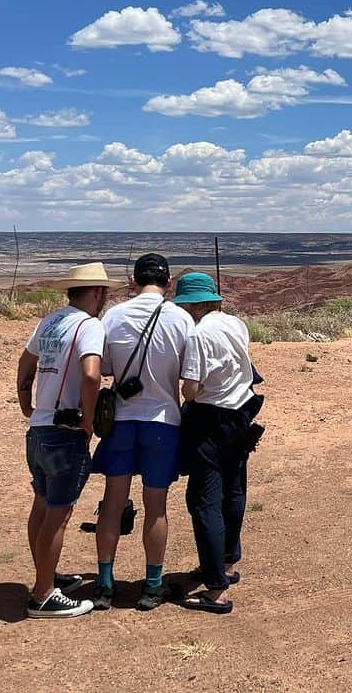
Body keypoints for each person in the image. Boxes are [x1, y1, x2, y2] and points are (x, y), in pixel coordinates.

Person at [89, 253, 194, 611]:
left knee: (112, 503)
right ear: (167, 283)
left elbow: (102, 368)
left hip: (120, 421)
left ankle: (104, 584)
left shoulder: (113, 315)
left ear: (133, 280)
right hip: (163, 422)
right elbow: (187, 375)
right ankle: (152, 585)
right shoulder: (181, 319)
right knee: (156, 507)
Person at [17, 261, 114, 618]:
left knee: (41, 505)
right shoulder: (89, 326)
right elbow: (91, 375)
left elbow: (26, 362)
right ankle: (43, 594)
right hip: (65, 434)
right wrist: (89, 422)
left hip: (40, 429)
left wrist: (26, 402)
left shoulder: (51, 321)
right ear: (97, 293)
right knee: (59, 513)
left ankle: (46, 575)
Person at [174, 272, 263, 615]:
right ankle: (226, 561)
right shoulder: (235, 324)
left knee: (204, 500)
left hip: (210, 419)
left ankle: (215, 588)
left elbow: (191, 390)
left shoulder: (199, 335)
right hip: (241, 413)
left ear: (192, 305)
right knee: (234, 489)